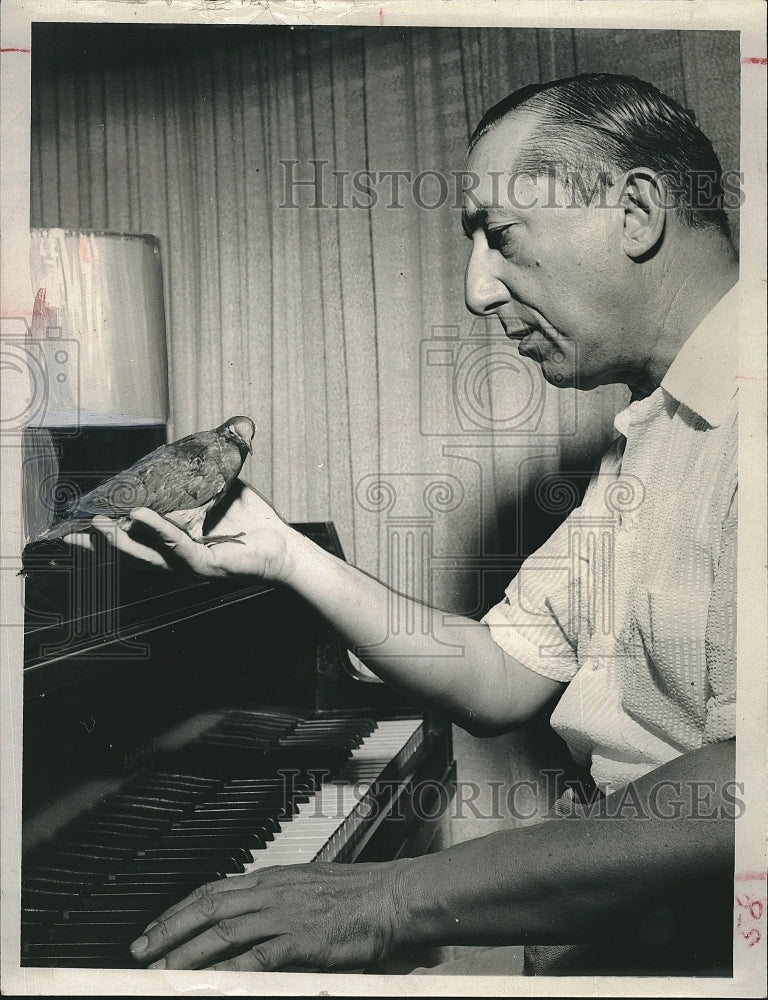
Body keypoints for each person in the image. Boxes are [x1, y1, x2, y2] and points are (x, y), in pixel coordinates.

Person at [73, 74, 739, 976]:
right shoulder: (656, 437)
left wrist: (391, 899)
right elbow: (499, 674)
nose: (476, 290)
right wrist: (285, 554)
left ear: (636, 212)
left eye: (501, 237)